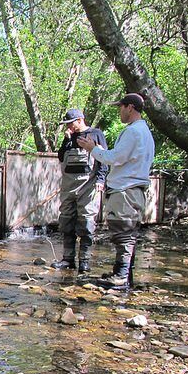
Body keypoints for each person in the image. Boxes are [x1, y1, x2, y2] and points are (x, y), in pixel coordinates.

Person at [76, 93, 154, 289]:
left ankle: (120, 276)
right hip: (133, 189)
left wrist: (93, 149)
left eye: (121, 107)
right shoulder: (144, 131)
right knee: (128, 232)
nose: (119, 111)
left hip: (126, 190)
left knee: (123, 233)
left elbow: (115, 158)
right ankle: (125, 274)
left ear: (130, 108)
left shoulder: (134, 132)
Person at [51, 109, 108, 273]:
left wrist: (101, 179)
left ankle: (84, 261)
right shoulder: (69, 137)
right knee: (66, 221)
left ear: (80, 120)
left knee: (86, 222)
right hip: (69, 187)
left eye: (71, 123)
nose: (69, 126)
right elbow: (61, 157)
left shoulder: (96, 134)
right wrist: (66, 140)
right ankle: (68, 259)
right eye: (67, 123)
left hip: (88, 186)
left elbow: (103, 158)